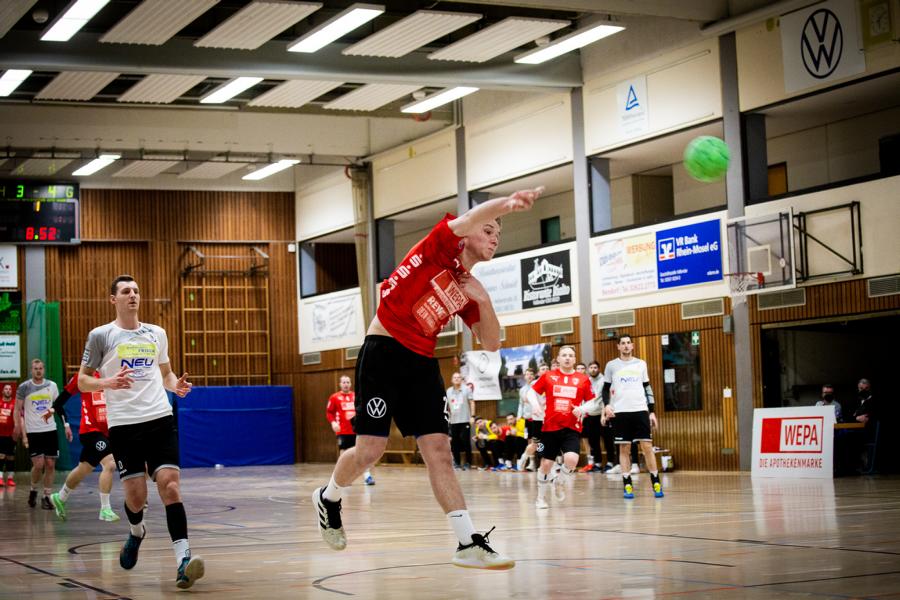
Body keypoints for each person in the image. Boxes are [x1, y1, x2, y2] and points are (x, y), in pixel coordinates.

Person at [312, 186, 544, 570]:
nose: (494, 238)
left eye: (498, 234)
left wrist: (483, 300)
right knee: (370, 450)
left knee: (439, 451)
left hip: (421, 362)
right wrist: (508, 204)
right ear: (467, 232)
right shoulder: (438, 245)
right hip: (383, 352)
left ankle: (467, 542)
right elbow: (469, 218)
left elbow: (491, 343)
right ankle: (329, 496)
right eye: (489, 230)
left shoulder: (470, 286)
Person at [78, 274, 203, 589]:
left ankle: (183, 561)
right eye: (125, 291)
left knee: (170, 487)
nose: (132, 295)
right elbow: (82, 381)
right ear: (113, 299)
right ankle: (136, 532)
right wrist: (107, 382)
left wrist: (177, 386)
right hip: (124, 426)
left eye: (136, 290)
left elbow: (166, 374)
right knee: (136, 497)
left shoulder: (156, 333)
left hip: (159, 419)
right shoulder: (101, 336)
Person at [581, 335, 663, 499]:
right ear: (618, 346)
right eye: (622, 344)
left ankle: (656, 481)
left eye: (628, 343)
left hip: (640, 410)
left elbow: (647, 388)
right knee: (624, 448)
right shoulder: (612, 366)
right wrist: (607, 406)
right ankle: (627, 484)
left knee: (647, 446)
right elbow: (605, 390)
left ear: (632, 346)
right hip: (620, 412)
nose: (626, 346)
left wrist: (652, 411)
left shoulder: (641, 364)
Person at [45, 372, 121, 522]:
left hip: (107, 431)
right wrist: (54, 409)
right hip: (90, 431)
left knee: (83, 469)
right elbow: (63, 398)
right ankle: (105, 509)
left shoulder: (112, 370)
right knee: (110, 464)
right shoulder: (83, 376)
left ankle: (60, 497)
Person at [530, 346, 593, 509]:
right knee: (545, 464)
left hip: (572, 428)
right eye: (564, 355)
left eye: (570, 355)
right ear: (558, 359)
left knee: (572, 460)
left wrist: (583, 409)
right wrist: (535, 404)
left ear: (574, 359)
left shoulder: (583, 379)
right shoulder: (548, 376)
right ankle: (541, 498)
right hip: (549, 428)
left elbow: (593, 400)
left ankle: (559, 481)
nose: (567, 358)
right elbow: (531, 392)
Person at [15, 359, 67, 509]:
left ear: (44, 370)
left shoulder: (52, 386)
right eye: (35, 368)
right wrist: (21, 431)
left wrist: (66, 424)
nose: (38, 371)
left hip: (50, 430)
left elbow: (58, 406)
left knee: (50, 464)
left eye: (40, 368)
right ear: (31, 370)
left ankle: (46, 496)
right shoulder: (24, 387)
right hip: (34, 432)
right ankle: (33, 490)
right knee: (38, 465)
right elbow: (18, 410)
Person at [326, 375, 374, 485]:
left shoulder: (355, 396)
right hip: (342, 431)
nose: (346, 384)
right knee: (344, 453)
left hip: (357, 430)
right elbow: (329, 412)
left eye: (348, 382)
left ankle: (367, 477)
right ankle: (343, 478)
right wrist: (333, 423)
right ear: (340, 384)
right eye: (344, 382)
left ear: (351, 384)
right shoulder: (334, 397)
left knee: (362, 452)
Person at [579, 362, 606, 473]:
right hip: (588, 414)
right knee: (592, 441)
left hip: (601, 413)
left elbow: (600, 397)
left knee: (607, 440)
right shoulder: (587, 381)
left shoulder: (603, 380)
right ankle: (596, 463)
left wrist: (603, 414)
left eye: (595, 367)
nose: (593, 369)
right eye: (591, 367)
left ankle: (610, 463)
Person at [446, 372, 475, 470]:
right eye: (455, 377)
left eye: (459, 377)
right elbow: (447, 406)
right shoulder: (448, 391)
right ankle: (457, 463)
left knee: (466, 441)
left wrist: (472, 416)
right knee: (455, 443)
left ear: (461, 379)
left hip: (465, 420)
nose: (457, 379)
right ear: (451, 380)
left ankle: (468, 463)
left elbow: (472, 402)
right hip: (453, 421)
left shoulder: (467, 389)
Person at [515, 368, 541, 471]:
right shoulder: (522, 390)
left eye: (531, 374)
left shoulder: (537, 385)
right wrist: (519, 415)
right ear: (524, 376)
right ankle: (531, 462)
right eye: (527, 374)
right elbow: (521, 404)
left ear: (534, 376)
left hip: (538, 418)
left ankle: (541, 461)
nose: (529, 376)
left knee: (540, 442)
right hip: (528, 418)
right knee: (530, 440)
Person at [0, 383, 18, 486]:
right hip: (0, 434)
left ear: (12, 392)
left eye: (10, 389)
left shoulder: (15, 403)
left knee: (11, 457)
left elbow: (18, 419)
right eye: (6, 389)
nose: (8, 390)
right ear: (2, 391)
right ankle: (0, 478)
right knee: (1, 455)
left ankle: (10, 478)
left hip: (11, 435)